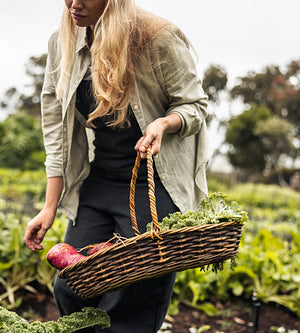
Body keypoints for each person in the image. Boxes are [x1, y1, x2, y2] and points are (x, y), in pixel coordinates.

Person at [24, 0, 210, 331]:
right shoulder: (63, 41)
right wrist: (49, 205)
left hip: (153, 184)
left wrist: (163, 125)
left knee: (132, 302)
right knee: (73, 287)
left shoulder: (157, 37)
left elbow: (194, 105)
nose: (74, 4)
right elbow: (56, 128)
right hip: (100, 179)